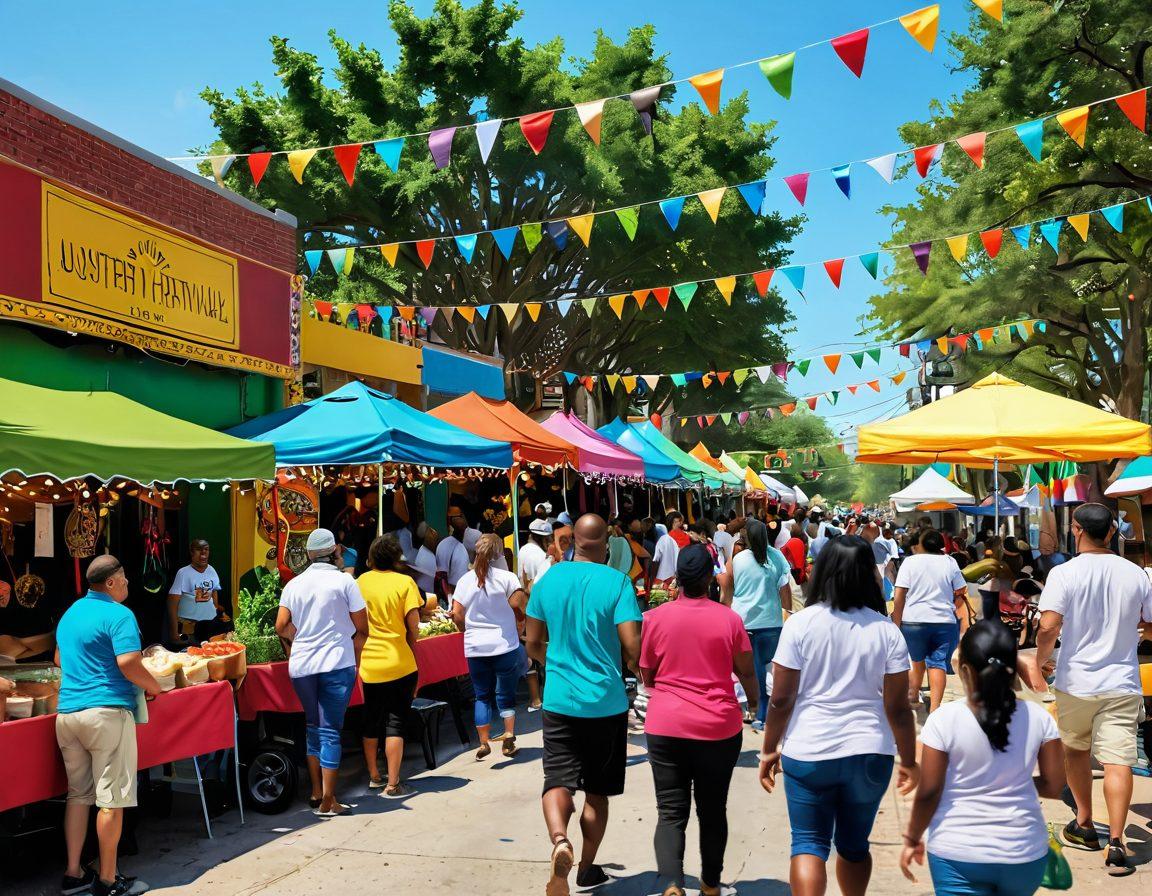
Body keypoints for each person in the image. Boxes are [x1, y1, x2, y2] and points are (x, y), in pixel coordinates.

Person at [758, 535, 919, 896]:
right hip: (870, 754)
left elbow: (781, 699)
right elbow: (898, 708)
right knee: (854, 845)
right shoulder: (886, 631)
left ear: (824, 572)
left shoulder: (800, 625)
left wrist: (769, 748)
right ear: (868, 575)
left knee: (808, 844)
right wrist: (909, 759)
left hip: (809, 752)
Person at [900, 620, 1066, 896]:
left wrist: (912, 838)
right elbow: (1055, 785)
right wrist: (1012, 783)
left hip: (958, 854)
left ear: (965, 670)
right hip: (1023, 853)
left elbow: (929, 791)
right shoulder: (1040, 719)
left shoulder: (944, 720)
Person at [526, 514, 643, 896]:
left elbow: (531, 642)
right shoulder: (618, 582)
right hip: (605, 703)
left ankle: (559, 838)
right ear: (606, 543)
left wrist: (555, 665)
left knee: (557, 778)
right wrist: (629, 667)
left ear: (571, 541)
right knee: (597, 791)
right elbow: (632, 645)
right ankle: (587, 868)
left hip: (559, 699)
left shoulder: (548, 581)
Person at [1034, 503, 1152, 875]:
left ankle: (1085, 824)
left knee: (1076, 752)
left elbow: (1049, 626)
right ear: (1112, 533)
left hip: (1076, 682)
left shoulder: (1064, 573)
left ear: (1077, 530)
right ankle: (1117, 843)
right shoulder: (1137, 574)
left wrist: (1038, 660)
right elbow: (1150, 627)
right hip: (1121, 681)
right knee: (1119, 760)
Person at [641, 544, 758, 896]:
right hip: (718, 728)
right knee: (712, 808)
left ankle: (672, 883)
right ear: (710, 578)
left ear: (677, 578)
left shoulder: (654, 619)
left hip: (666, 726)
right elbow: (747, 671)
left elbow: (647, 674)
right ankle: (710, 884)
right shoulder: (730, 619)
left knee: (670, 810)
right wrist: (753, 704)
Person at [56, 555, 161, 896]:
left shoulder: (71, 613)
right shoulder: (119, 614)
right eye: (125, 578)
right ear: (112, 582)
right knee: (111, 800)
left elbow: (59, 659)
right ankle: (107, 879)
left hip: (68, 715)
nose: (129, 583)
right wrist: (153, 685)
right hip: (106, 714)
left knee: (78, 795)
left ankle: (73, 874)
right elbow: (129, 662)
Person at [276, 529, 368, 816]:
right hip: (337, 664)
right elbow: (362, 629)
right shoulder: (345, 582)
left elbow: (281, 626)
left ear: (309, 554)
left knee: (313, 726)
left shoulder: (295, 584)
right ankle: (329, 800)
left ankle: (317, 791)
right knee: (330, 731)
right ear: (335, 551)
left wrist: (298, 642)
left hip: (302, 667)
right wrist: (355, 657)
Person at [357, 535, 423, 798]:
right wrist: (408, 643)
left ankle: (374, 776)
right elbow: (414, 627)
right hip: (399, 662)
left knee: (371, 720)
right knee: (396, 722)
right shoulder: (404, 582)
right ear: (396, 558)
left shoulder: (361, 581)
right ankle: (393, 783)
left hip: (369, 665)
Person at [452, 533, 528, 760]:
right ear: (499, 554)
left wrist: (465, 629)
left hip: (476, 647)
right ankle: (508, 738)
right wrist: (520, 627)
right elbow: (518, 606)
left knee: (481, 696)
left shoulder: (465, 581)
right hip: (504, 645)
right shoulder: (507, 578)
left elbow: (456, 614)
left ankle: (483, 742)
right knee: (505, 694)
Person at [724, 518, 791, 731]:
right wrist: (788, 613)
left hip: (744, 621)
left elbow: (729, 584)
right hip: (772, 622)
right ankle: (763, 711)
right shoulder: (778, 556)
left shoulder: (738, 558)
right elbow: (784, 588)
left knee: (751, 670)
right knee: (765, 668)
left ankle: (757, 712)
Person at [892, 529, 968, 714]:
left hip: (913, 621)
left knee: (916, 659)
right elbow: (962, 589)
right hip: (944, 622)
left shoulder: (910, 562)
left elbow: (899, 595)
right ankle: (935, 709)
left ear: (922, 544)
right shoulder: (950, 562)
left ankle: (913, 694)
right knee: (938, 663)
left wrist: (896, 622)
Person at [166, 539, 230, 646]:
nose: (203, 552)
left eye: (206, 549)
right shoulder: (183, 573)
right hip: (190, 631)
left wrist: (218, 611)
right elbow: (171, 603)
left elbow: (214, 595)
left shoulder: (212, 571)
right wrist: (174, 633)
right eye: (199, 549)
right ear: (191, 552)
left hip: (211, 629)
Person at [434, 507, 471, 606]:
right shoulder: (445, 545)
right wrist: (451, 601)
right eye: (458, 517)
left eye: (462, 516)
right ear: (449, 521)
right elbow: (442, 577)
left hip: (466, 597)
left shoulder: (467, 542)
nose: (462, 519)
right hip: (452, 599)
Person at [519, 518, 554, 590]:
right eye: (549, 538)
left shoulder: (523, 549)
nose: (550, 541)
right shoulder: (542, 556)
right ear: (543, 538)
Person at [651, 514, 682, 583]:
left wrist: (651, 579)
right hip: (677, 577)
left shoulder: (662, 540)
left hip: (664, 578)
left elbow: (656, 561)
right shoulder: (684, 539)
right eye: (676, 522)